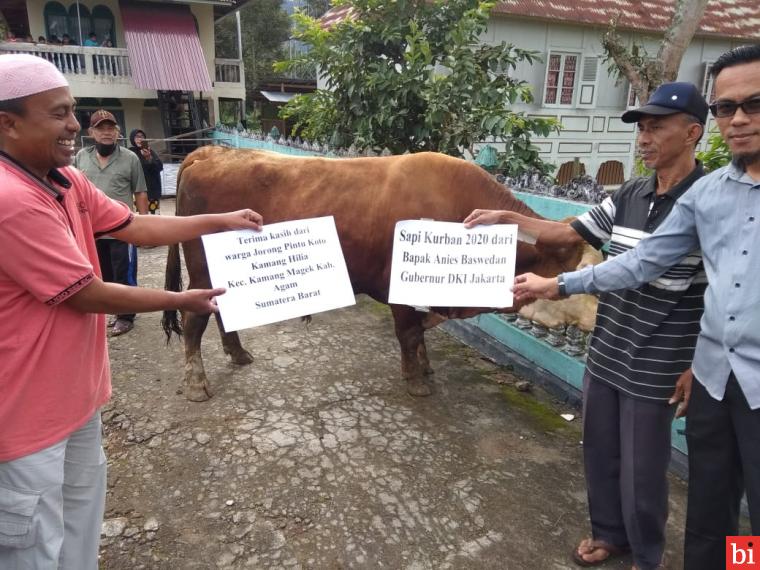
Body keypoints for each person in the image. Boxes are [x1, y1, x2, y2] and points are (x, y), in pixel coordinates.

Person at [0, 53, 262, 570]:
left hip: (76, 397)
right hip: (23, 412)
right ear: (7, 124)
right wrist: (182, 299)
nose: (74, 124)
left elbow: (137, 226)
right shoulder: (11, 200)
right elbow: (86, 293)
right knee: (31, 543)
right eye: (58, 114)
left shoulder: (66, 182)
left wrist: (221, 219)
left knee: (79, 523)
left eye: (73, 110)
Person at [513, 45, 760, 570]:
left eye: (754, 104)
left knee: (735, 507)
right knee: (711, 507)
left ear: (690, 131)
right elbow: (642, 262)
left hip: (675, 362)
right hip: (712, 379)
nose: (738, 119)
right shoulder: (707, 195)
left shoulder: (693, 189)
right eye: (726, 107)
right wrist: (553, 282)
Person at [466, 82, 708, 570]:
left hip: (660, 353)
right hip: (610, 344)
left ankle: (646, 554)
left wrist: (697, 361)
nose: (644, 138)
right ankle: (609, 535)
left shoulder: (707, 201)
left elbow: (646, 268)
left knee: (643, 468)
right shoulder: (631, 193)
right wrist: (505, 216)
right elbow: (567, 231)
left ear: (692, 133)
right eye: (641, 128)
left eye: (656, 127)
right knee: (600, 450)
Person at [75, 110, 148, 336]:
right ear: (91, 132)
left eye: (110, 128)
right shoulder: (81, 157)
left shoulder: (130, 158)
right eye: (101, 128)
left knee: (123, 274)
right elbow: (74, 192)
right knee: (100, 275)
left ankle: (126, 316)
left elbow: (140, 192)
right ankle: (111, 310)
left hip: (122, 230)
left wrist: (144, 226)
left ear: (117, 132)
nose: (106, 133)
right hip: (91, 229)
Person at [128, 128, 163, 214]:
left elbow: (159, 167)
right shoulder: (129, 153)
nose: (140, 139)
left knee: (153, 219)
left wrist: (148, 158)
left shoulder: (150, 152)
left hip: (151, 192)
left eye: (142, 137)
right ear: (132, 138)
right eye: (137, 137)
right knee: (137, 219)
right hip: (135, 192)